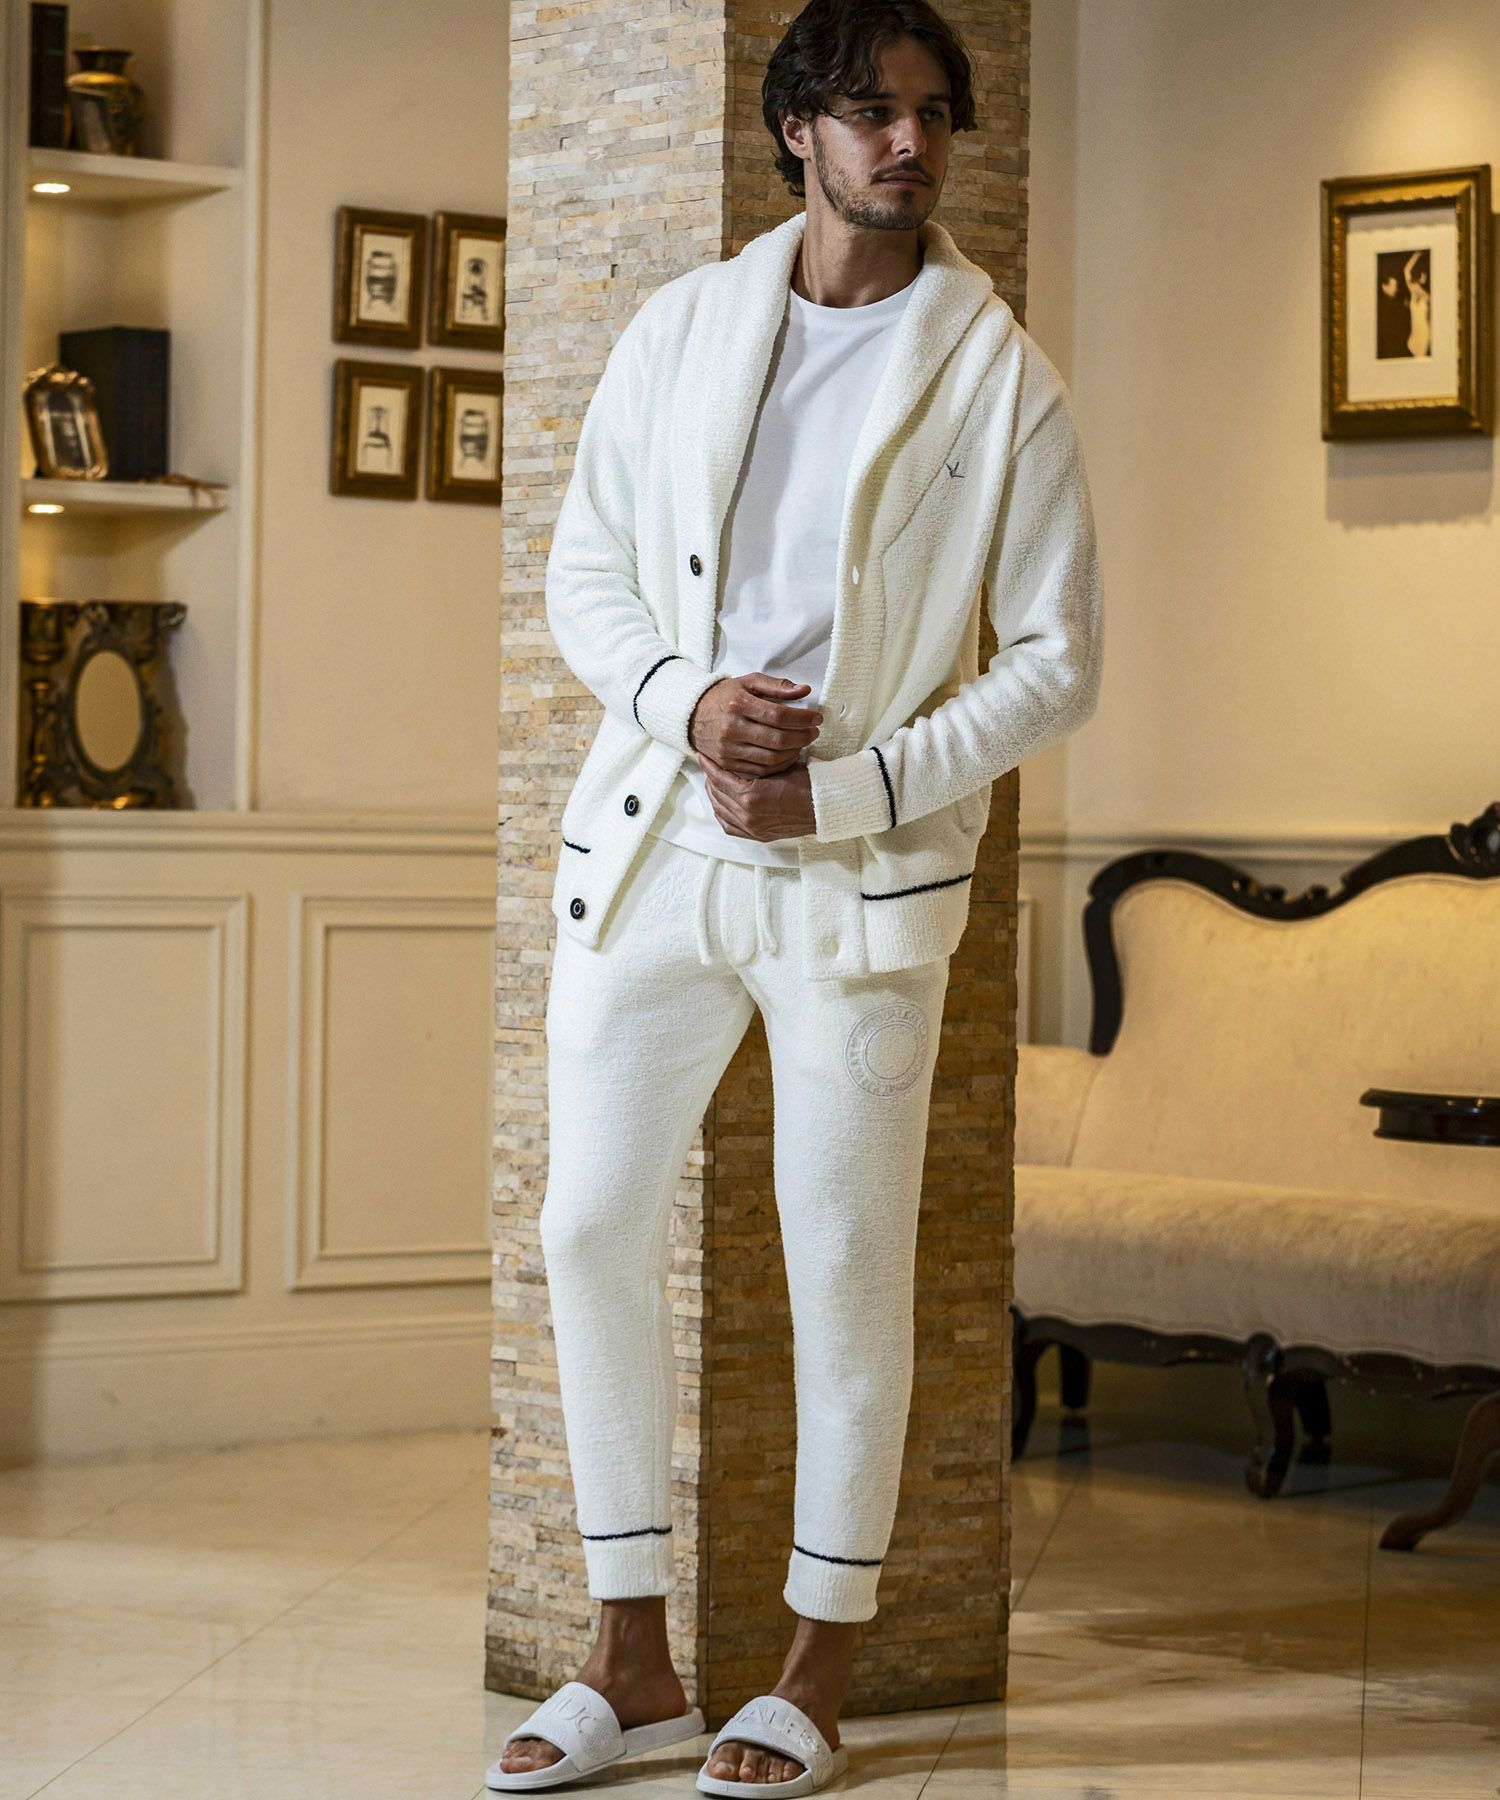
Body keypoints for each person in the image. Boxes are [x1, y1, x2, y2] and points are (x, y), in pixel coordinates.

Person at [488, 1, 1104, 1792]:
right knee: (588, 1226)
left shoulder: (1001, 376)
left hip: (860, 886)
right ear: (796, 133)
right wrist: (688, 702)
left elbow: (1057, 661)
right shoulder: (685, 328)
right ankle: (630, 1657)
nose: (910, 143)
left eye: (934, 114)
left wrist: (847, 785)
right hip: (655, 852)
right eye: (871, 111)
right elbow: (586, 571)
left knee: (842, 1266)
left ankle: (816, 1669)